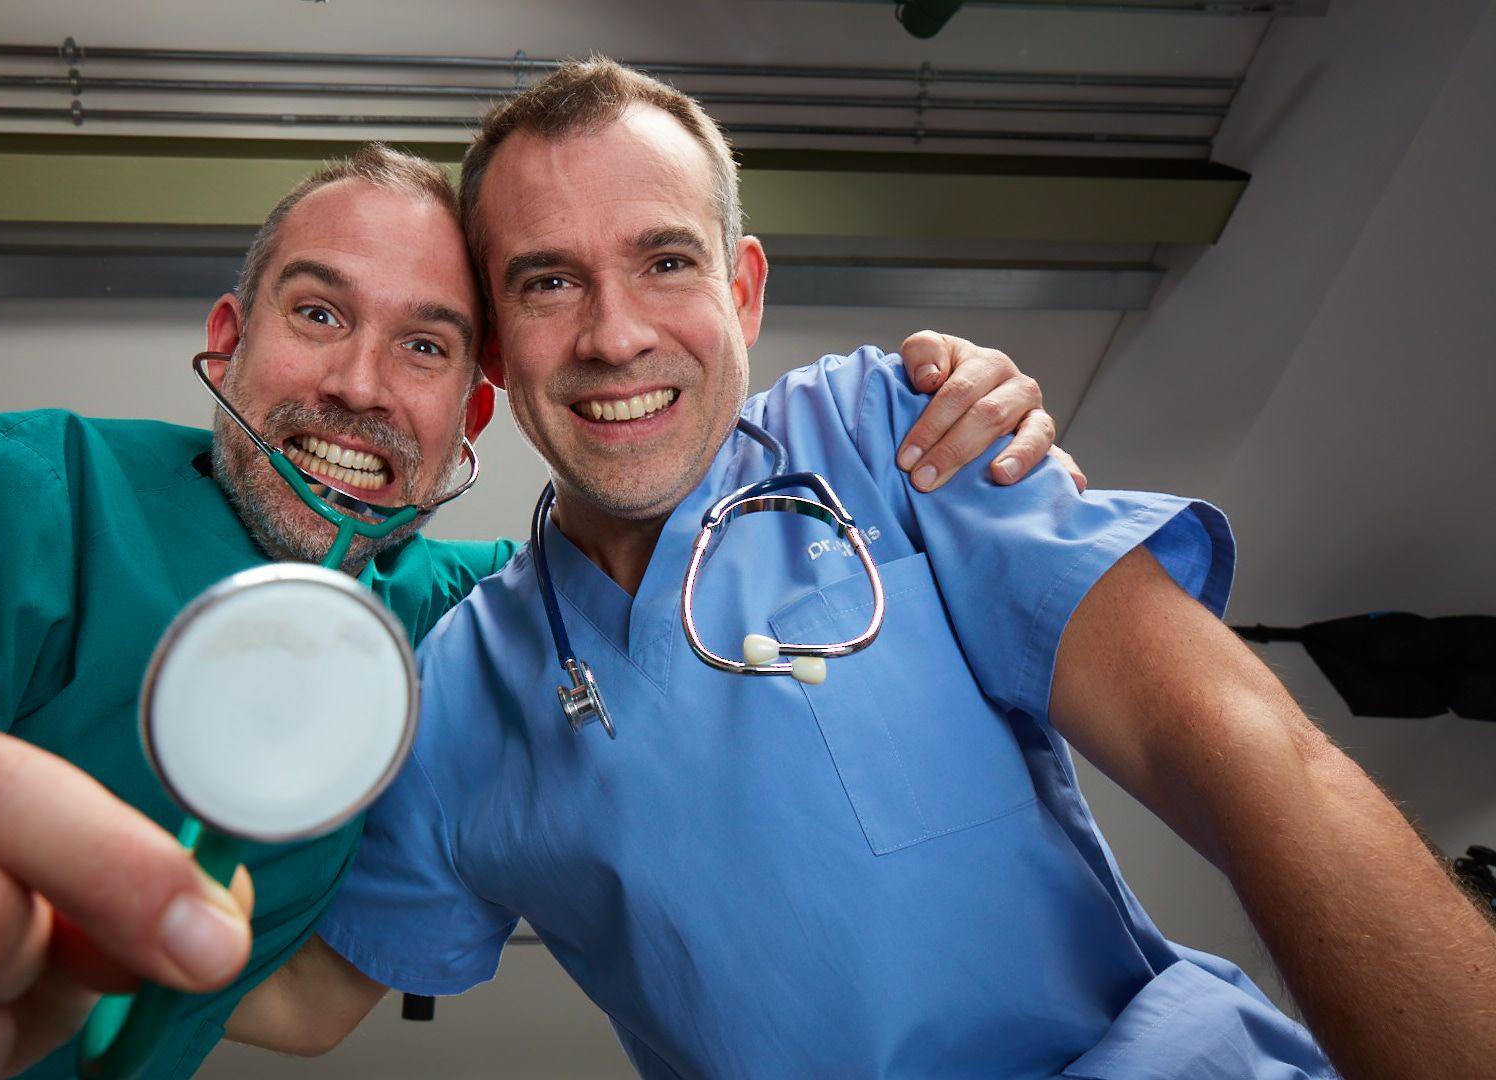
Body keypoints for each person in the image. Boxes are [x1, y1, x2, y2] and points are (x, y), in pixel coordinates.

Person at [0, 142, 1065, 1078]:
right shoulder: (23, 493)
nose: (362, 383)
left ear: (476, 410)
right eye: (317, 311)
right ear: (229, 337)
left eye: (427, 344)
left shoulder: (480, 630)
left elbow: (306, 1004)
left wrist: (933, 407)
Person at [233, 61, 1496, 1078]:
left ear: (744, 290)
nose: (616, 336)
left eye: (667, 262)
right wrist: (61, 932)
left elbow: (1235, 752)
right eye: (550, 282)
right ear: (499, 352)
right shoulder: (457, 694)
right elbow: (305, 1001)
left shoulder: (893, 431)